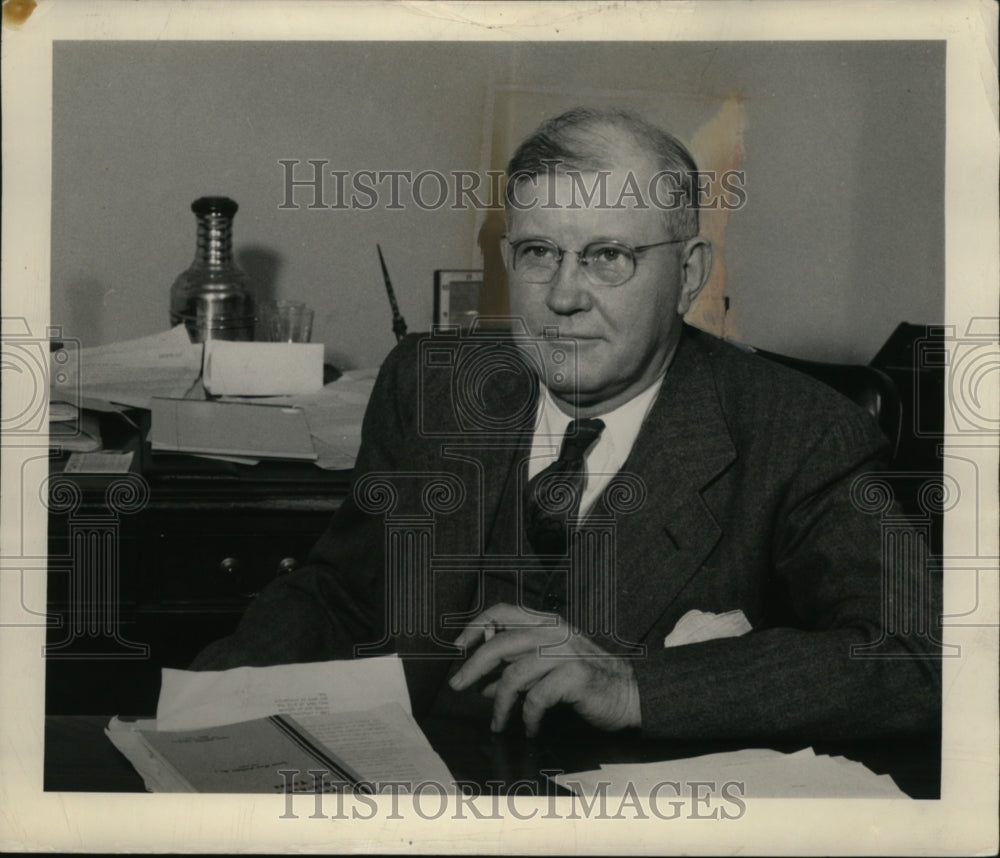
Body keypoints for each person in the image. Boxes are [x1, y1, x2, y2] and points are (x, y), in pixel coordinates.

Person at [192, 107, 940, 743]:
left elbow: (922, 655)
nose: (562, 296)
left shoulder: (802, 433)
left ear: (687, 275)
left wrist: (636, 685)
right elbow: (342, 592)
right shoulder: (429, 385)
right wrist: (207, 701)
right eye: (539, 252)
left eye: (608, 256)